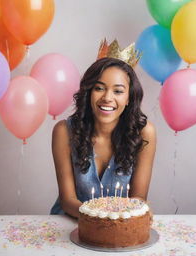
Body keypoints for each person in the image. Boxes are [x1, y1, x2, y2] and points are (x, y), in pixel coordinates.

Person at [50, 57, 156, 218]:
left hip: (118, 227)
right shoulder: (64, 131)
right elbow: (67, 200)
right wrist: (100, 220)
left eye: (118, 91)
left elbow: (138, 199)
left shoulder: (145, 133)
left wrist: (111, 224)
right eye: (99, 88)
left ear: (129, 98)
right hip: (69, 224)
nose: (107, 97)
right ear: (88, 92)